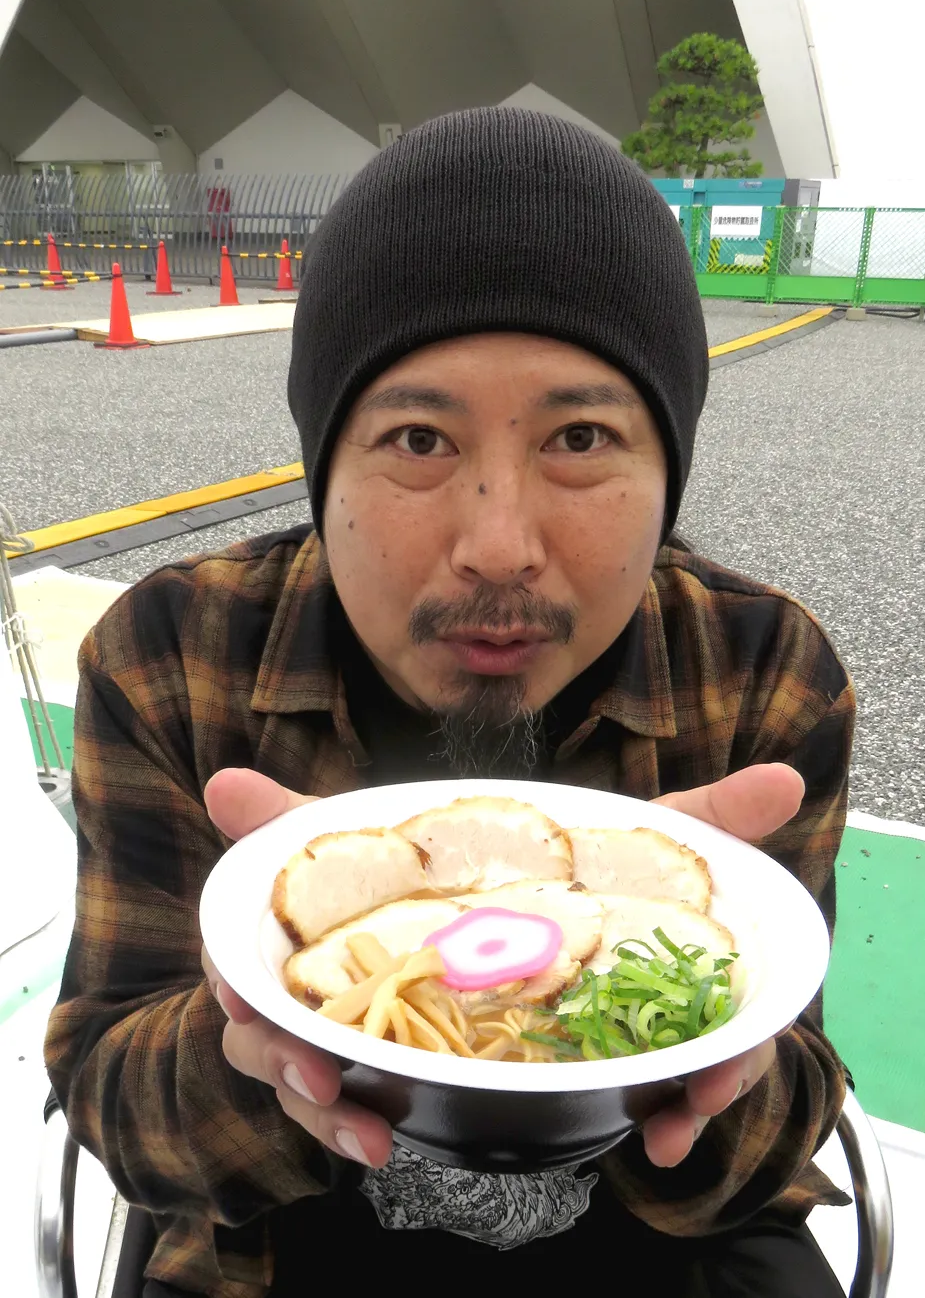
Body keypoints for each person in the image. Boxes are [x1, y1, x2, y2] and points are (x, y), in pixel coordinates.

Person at [45, 108, 855, 1298]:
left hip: (661, 1241)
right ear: (323, 469)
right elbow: (115, 1104)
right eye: (417, 438)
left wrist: (707, 1055)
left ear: (667, 470)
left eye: (580, 436)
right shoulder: (176, 651)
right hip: (277, 1232)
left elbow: (781, 1124)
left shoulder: (757, 663)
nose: (497, 545)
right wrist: (260, 1032)